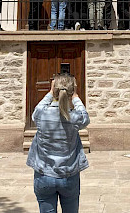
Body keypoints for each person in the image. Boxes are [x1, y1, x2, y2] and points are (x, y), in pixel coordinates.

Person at [27, 73, 90, 213]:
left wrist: (50, 93)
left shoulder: (41, 114)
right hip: (69, 175)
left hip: (44, 174)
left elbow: (37, 109)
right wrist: (76, 97)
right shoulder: (74, 117)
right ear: (72, 91)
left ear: (54, 89)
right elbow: (85, 118)